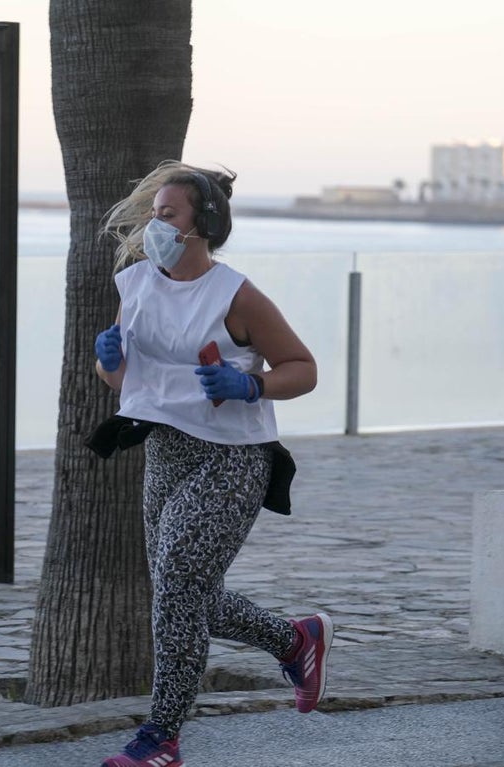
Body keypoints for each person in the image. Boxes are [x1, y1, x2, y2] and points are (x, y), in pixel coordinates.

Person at [90, 160, 331, 767]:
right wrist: (107, 358)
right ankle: (293, 639)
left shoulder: (236, 295)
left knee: (177, 587)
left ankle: (161, 738)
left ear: (203, 227)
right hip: (165, 448)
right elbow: (118, 378)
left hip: (234, 458)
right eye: (154, 214)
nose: (154, 225)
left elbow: (302, 369)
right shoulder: (137, 283)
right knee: (183, 589)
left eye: (167, 215)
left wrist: (250, 387)